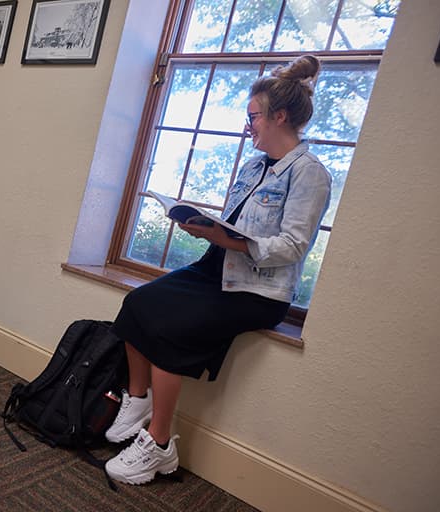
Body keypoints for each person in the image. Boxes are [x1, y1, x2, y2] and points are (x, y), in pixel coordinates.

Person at [104, 55, 332, 485]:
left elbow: (293, 246)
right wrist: (204, 226)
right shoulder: (252, 165)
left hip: (258, 291)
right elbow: (234, 225)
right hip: (217, 269)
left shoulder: (310, 174)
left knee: (171, 331)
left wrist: (225, 238)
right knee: (136, 304)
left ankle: (158, 444)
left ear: (279, 116)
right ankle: (137, 399)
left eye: (254, 117)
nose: (248, 125)